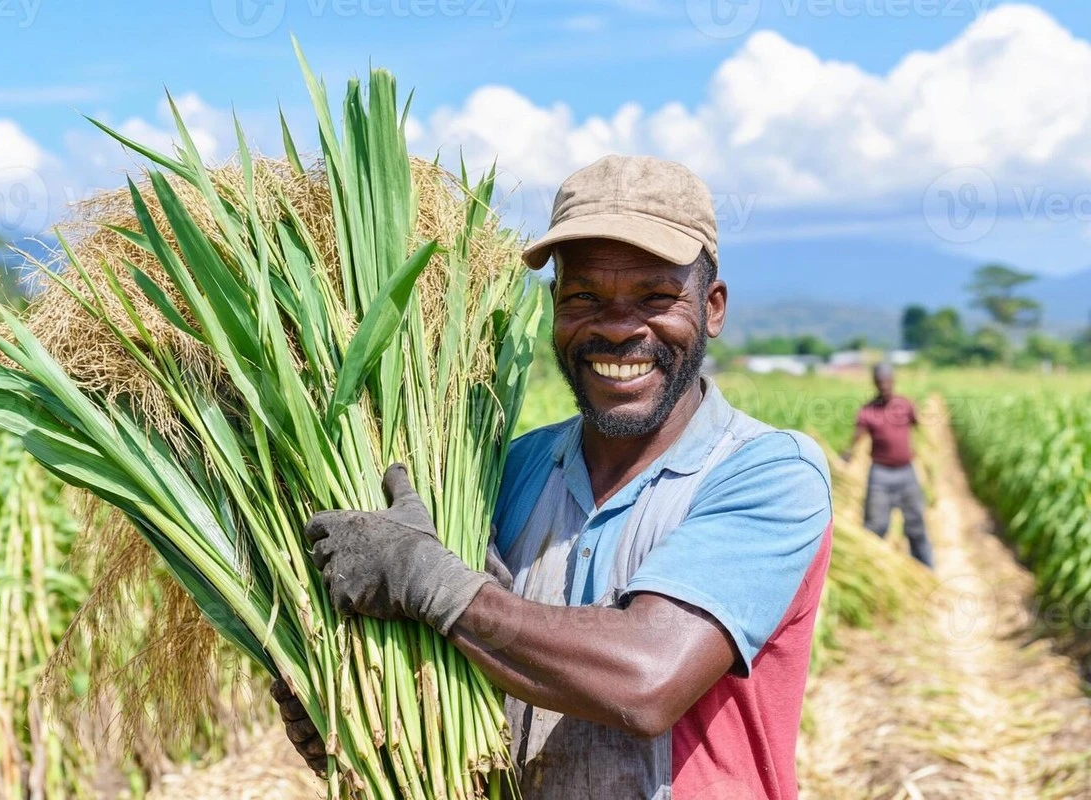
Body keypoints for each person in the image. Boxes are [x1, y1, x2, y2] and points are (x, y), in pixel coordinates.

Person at [273, 155, 834, 799]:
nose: (619, 327)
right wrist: (364, 712)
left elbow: (647, 680)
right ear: (554, 310)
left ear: (712, 308)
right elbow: (466, 668)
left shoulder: (767, 474)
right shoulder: (501, 471)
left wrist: (424, 577)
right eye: (584, 297)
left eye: (656, 296)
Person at [842, 363, 934, 568]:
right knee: (875, 528)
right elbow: (857, 437)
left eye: (887, 381)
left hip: (906, 473)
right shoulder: (867, 411)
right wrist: (847, 454)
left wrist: (926, 452)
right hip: (880, 476)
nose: (884, 385)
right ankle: (872, 571)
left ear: (893, 381)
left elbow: (920, 426)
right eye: (879, 381)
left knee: (916, 526)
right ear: (874, 382)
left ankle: (926, 571)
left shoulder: (906, 405)